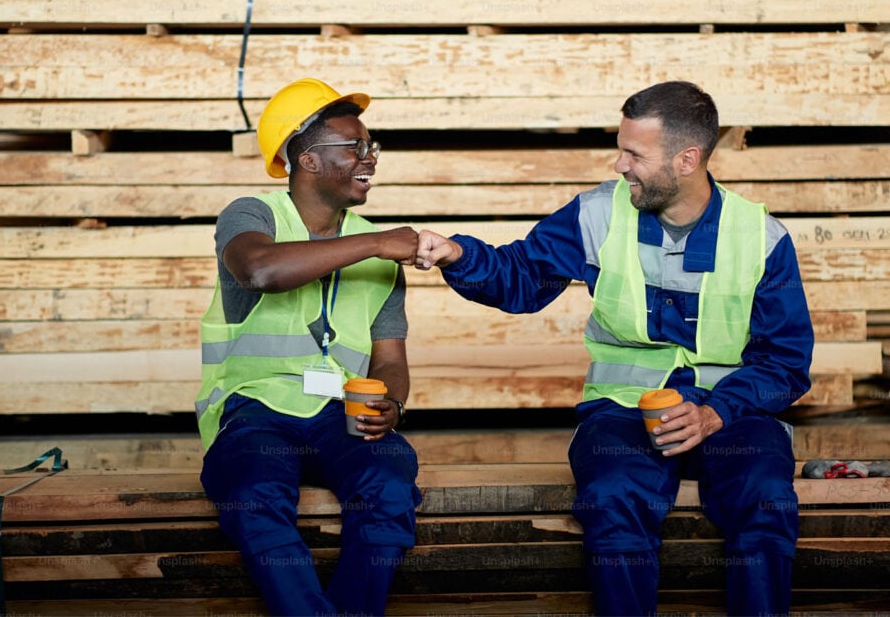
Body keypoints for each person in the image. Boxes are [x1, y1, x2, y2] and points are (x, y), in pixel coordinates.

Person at [416, 81, 814, 616]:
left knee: (766, 499)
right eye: (620, 147)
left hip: (731, 416)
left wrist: (716, 412)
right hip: (623, 412)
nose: (618, 163)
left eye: (634, 153)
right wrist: (458, 255)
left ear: (687, 159)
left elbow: (785, 361)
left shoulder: (760, 237)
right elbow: (522, 278)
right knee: (611, 498)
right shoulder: (597, 214)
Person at [197, 78, 421, 616]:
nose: (370, 159)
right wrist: (375, 242)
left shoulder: (380, 248)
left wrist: (391, 401)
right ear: (308, 160)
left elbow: (390, 358)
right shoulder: (253, 216)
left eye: (371, 147)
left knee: (391, 486)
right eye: (354, 147)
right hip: (254, 412)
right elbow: (260, 270)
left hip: (342, 417)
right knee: (254, 497)